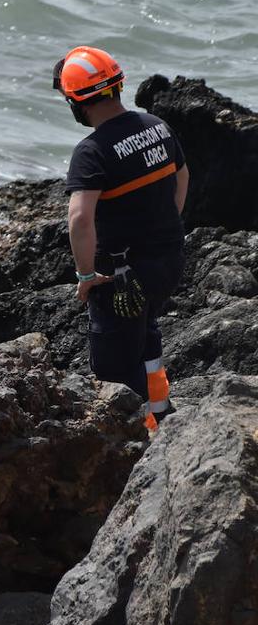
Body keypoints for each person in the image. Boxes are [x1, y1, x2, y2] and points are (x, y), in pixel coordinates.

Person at [55, 46, 190, 432]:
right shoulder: (156, 125)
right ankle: (161, 411)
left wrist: (85, 276)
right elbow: (182, 177)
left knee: (114, 363)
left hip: (122, 276)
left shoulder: (92, 152)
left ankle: (137, 434)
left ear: (76, 103)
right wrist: (164, 228)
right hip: (168, 260)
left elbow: (80, 219)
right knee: (145, 331)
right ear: (116, 87)